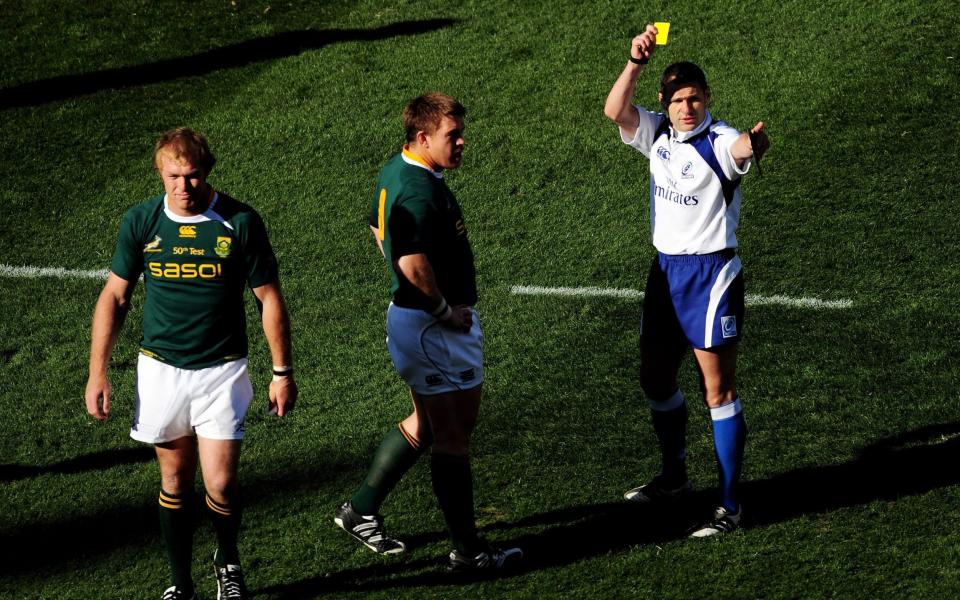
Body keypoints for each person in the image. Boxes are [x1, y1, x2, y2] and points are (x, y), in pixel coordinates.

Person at [84, 128, 297, 600]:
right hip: (161, 372)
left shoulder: (239, 222)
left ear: (208, 172)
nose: (184, 186)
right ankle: (181, 582)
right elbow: (114, 297)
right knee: (175, 479)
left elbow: (269, 300)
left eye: (194, 175)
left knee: (221, 482)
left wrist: (281, 371)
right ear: (160, 173)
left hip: (223, 371)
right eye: (174, 176)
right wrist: (98, 371)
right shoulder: (141, 222)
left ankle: (228, 560)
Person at [334, 92, 522, 571]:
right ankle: (469, 552)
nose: (461, 142)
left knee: (428, 425)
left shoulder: (401, 170)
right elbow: (411, 262)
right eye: (451, 135)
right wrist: (442, 310)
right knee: (453, 437)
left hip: (424, 324)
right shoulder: (416, 188)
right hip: (431, 328)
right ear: (423, 137)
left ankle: (359, 510)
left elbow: (378, 231)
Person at [604, 25, 770, 537]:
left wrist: (753, 143)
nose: (686, 108)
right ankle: (674, 476)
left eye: (694, 98)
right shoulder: (657, 134)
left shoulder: (719, 141)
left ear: (707, 99)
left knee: (717, 391)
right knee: (654, 376)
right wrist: (634, 61)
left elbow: (739, 151)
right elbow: (615, 111)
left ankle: (730, 505)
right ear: (665, 102)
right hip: (664, 273)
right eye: (677, 100)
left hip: (710, 274)